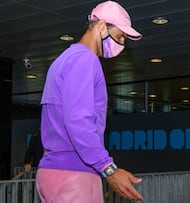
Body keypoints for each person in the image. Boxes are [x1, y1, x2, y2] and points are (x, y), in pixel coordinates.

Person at [35, 1, 143, 202]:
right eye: (120, 36)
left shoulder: (63, 60)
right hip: (74, 174)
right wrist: (108, 168)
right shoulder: (86, 60)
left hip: (53, 171)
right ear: (101, 26)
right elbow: (78, 120)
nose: (121, 44)